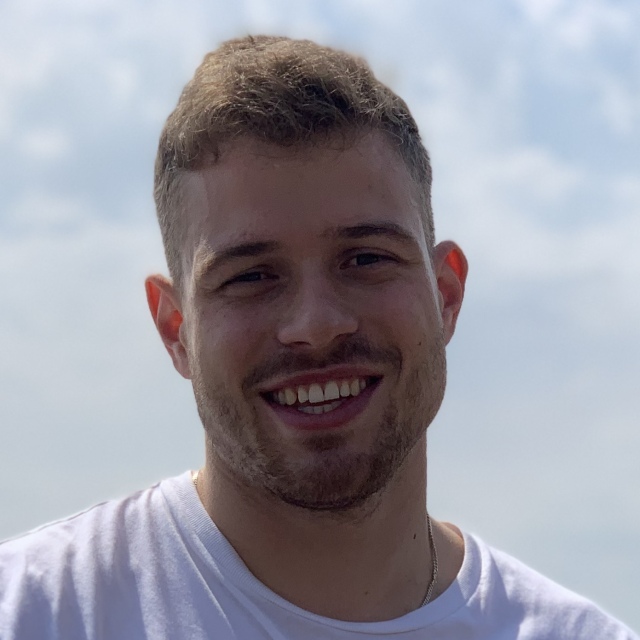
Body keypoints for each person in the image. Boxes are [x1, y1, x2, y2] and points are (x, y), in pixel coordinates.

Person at [0, 35, 636, 640]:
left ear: (445, 295)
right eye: (252, 276)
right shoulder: (37, 612)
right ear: (176, 329)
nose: (316, 325)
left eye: (366, 258)